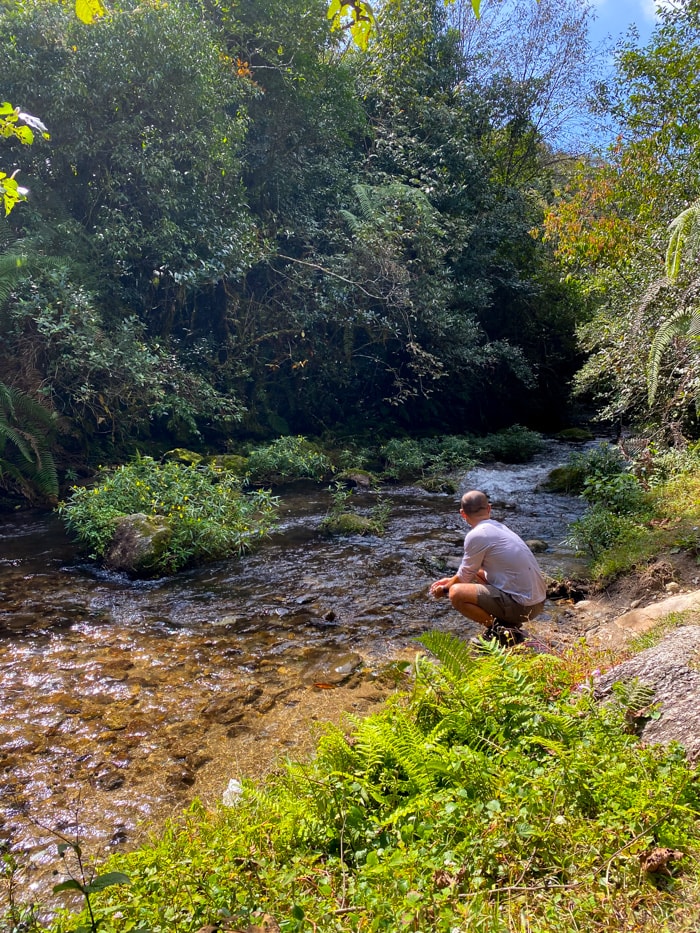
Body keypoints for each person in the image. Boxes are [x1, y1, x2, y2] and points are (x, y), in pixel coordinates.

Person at [429, 489, 546, 645]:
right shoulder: (499, 528)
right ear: (489, 508)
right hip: (537, 601)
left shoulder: (477, 534)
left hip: (523, 607)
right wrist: (451, 580)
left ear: (463, 513)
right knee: (476, 573)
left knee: (456, 593)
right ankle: (510, 625)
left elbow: (463, 577)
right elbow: (469, 571)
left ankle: (502, 632)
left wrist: (444, 589)